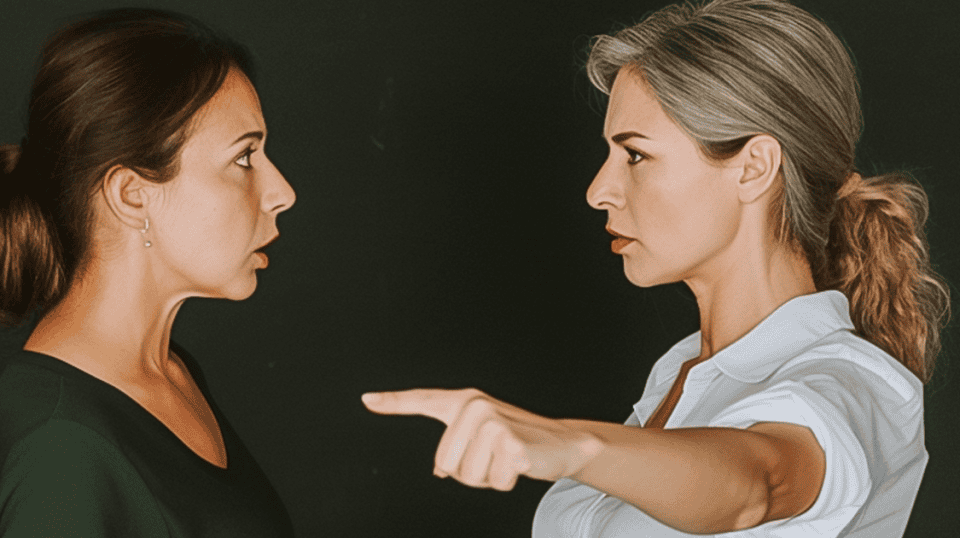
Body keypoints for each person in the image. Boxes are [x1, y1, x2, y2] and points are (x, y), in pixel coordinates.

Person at [362, 0, 950, 536]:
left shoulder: (854, 382)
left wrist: (575, 446)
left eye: (636, 154)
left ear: (753, 168)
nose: (598, 190)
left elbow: (757, 486)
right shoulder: (680, 377)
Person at [0, 8, 296, 537]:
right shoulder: (61, 452)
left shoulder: (169, 373)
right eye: (245, 157)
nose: (282, 193)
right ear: (132, 195)